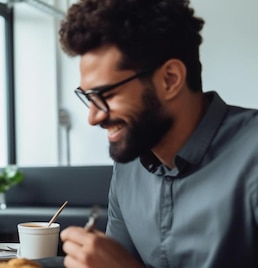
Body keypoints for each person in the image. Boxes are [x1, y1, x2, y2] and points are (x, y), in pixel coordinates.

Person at [58, 0, 258, 267]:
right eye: (88, 97)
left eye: (105, 95)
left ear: (170, 79)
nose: (93, 117)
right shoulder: (127, 166)